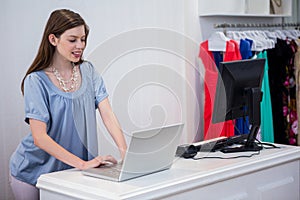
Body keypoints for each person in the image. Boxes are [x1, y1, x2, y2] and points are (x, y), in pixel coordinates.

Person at [9, 9, 127, 200]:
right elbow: (39, 137)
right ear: (53, 40)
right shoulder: (36, 81)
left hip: (71, 173)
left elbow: (108, 115)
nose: (80, 45)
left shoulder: (88, 71)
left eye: (83, 39)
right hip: (33, 172)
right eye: (72, 40)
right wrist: (83, 164)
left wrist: (126, 154)